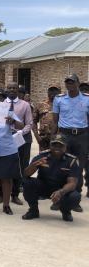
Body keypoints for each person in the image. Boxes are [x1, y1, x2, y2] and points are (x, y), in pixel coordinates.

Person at [22, 135, 81, 222]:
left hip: (62, 189)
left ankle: (65, 211)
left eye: (60, 145)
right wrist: (34, 165)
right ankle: (33, 210)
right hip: (44, 186)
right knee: (27, 182)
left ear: (65, 147)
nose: (57, 147)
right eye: (54, 145)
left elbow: (72, 183)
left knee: (75, 196)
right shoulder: (43, 156)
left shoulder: (71, 160)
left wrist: (61, 192)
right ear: (50, 145)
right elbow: (26, 174)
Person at [51, 74, 89, 204]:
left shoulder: (87, 99)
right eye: (67, 82)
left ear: (78, 83)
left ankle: (75, 198)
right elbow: (55, 120)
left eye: (72, 82)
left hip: (81, 135)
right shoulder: (59, 99)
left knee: (78, 166)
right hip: (64, 136)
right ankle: (59, 197)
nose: (69, 85)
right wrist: (53, 137)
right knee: (61, 164)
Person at [1, 81, 33, 206]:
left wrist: (20, 132)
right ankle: (2, 194)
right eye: (9, 88)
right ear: (6, 90)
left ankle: (15, 195)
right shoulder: (1, 104)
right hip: (6, 138)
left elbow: (30, 123)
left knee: (20, 166)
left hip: (22, 138)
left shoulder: (25, 105)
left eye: (14, 88)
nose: (12, 90)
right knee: (5, 166)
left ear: (17, 90)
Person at [33, 85, 60, 151]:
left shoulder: (62, 105)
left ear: (59, 92)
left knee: (57, 158)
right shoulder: (40, 104)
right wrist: (37, 136)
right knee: (44, 159)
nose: (53, 92)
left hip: (58, 137)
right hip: (43, 137)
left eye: (55, 91)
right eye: (51, 90)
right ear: (47, 92)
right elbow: (33, 122)